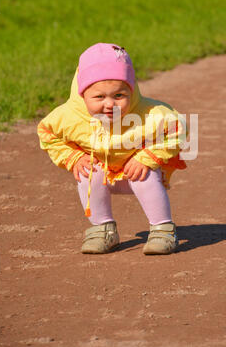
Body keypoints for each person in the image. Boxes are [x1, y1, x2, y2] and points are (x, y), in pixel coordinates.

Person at [37, 43, 186, 255]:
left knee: (144, 173)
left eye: (119, 96)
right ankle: (103, 228)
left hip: (138, 171)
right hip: (103, 172)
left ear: (131, 89)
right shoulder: (69, 116)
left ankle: (163, 229)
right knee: (88, 171)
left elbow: (178, 127)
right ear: (82, 94)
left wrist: (148, 157)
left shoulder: (149, 112)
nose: (109, 104)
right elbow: (46, 132)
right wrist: (73, 156)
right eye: (99, 97)